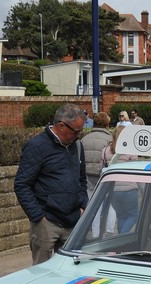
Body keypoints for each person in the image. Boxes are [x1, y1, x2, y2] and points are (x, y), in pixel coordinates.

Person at [14, 103, 89, 265]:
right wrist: (38, 216)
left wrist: (83, 204)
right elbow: (22, 184)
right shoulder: (37, 146)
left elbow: (82, 179)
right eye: (76, 131)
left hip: (73, 220)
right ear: (61, 126)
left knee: (72, 270)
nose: (78, 135)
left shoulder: (77, 145)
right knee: (43, 274)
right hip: (47, 223)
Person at [82, 112, 116, 237]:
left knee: (94, 205)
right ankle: (109, 230)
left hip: (88, 174)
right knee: (111, 202)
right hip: (104, 174)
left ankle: (95, 234)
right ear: (107, 124)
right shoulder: (110, 139)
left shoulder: (84, 139)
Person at [101, 126, 140, 233]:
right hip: (129, 189)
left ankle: (119, 245)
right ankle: (121, 237)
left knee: (121, 216)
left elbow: (102, 169)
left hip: (113, 190)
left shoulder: (105, 151)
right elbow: (137, 171)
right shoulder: (131, 151)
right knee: (133, 215)